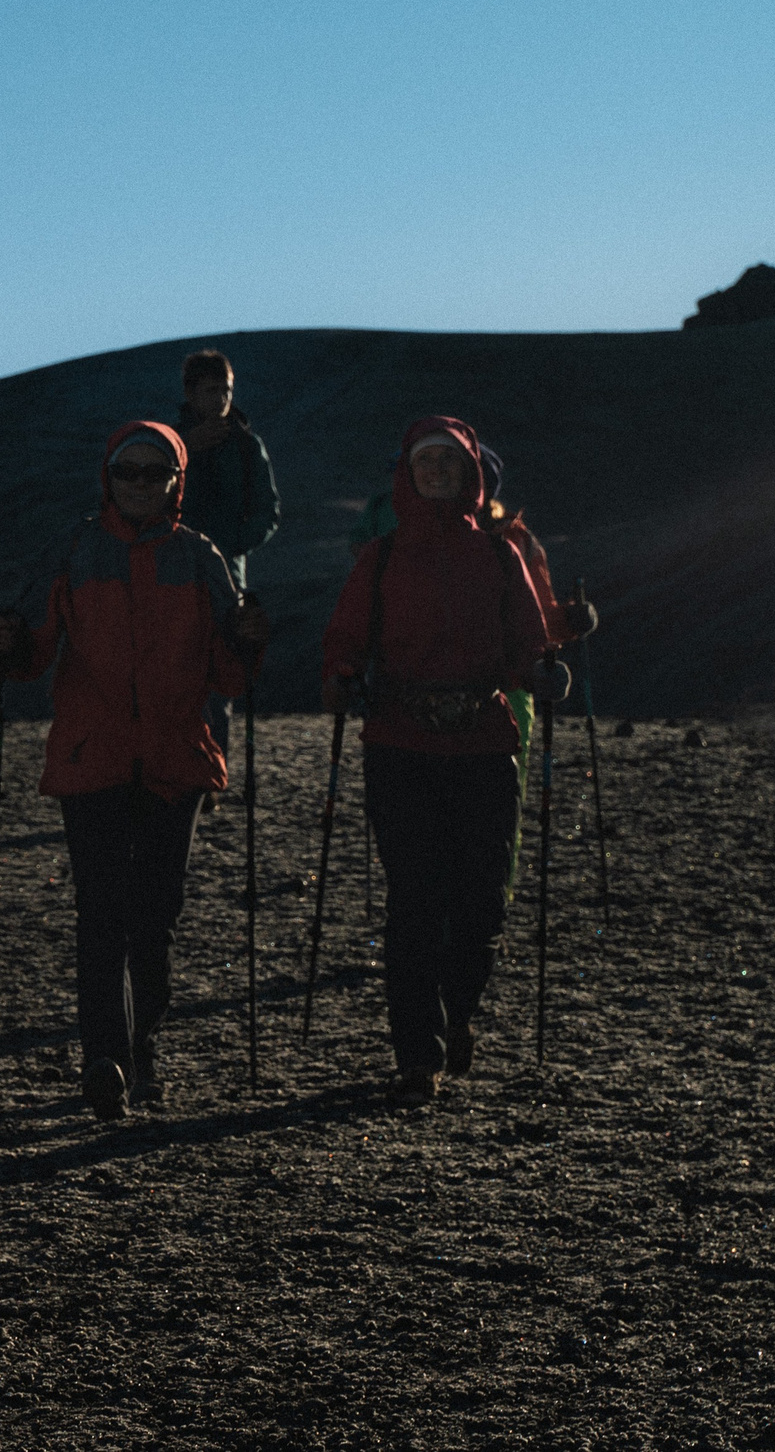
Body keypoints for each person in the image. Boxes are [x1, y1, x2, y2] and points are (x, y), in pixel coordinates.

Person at [0, 422, 269, 1115]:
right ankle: (106, 1057)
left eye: (154, 472)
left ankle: (138, 1048)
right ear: (107, 476)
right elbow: (29, 655)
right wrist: (7, 644)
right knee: (102, 914)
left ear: (177, 479)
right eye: (127, 471)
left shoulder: (201, 557)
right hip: (96, 759)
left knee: (155, 914)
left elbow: (229, 675)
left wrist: (247, 641)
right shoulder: (76, 549)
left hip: (176, 760)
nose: (140, 483)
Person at [321, 416, 553, 1103]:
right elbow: (345, 638)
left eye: (448, 462)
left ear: (470, 471)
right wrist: (340, 675)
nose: (436, 472)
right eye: (425, 462)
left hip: (483, 738)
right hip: (402, 744)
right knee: (417, 897)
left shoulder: (500, 556)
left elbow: (527, 642)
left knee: (482, 903)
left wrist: (542, 671)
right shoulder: (382, 559)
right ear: (408, 472)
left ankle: (452, 1013)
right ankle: (417, 1049)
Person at [172, 350, 280, 778]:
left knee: (222, 672)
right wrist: (184, 453)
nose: (221, 399)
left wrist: (230, 547)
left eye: (227, 390)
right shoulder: (170, 443)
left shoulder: (246, 445)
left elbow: (268, 511)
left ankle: (211, 772)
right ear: (191, 392)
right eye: (212, 389)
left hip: (227, 580)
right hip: (173, 573)